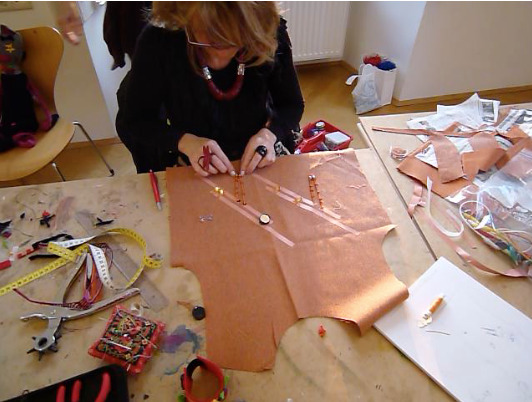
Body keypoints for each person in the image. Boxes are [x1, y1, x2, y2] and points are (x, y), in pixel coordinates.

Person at [116, 1, 304, 175]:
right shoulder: (159, 40)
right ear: (186, 18)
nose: (220, 54)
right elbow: (137, 120)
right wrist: (186, 142)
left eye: (235, 38)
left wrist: (269, 135)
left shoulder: (266, 29)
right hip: (196, 166)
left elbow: (292, 105)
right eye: (210, 37)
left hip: (261, 160)